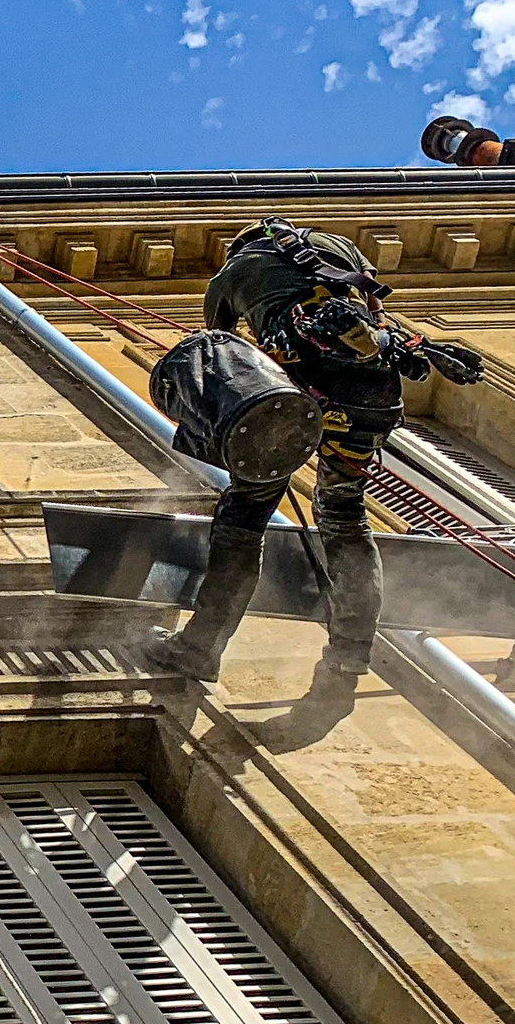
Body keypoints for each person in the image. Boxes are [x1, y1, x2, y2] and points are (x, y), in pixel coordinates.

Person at [145, 215, 485, 732]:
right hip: (370, 398)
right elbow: (375, 317)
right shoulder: (340, 255)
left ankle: (200, 645)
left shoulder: (232, 276)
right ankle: (347, 661)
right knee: (345, 521)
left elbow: (221, 358)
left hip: (299, 398)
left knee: (245, 517)